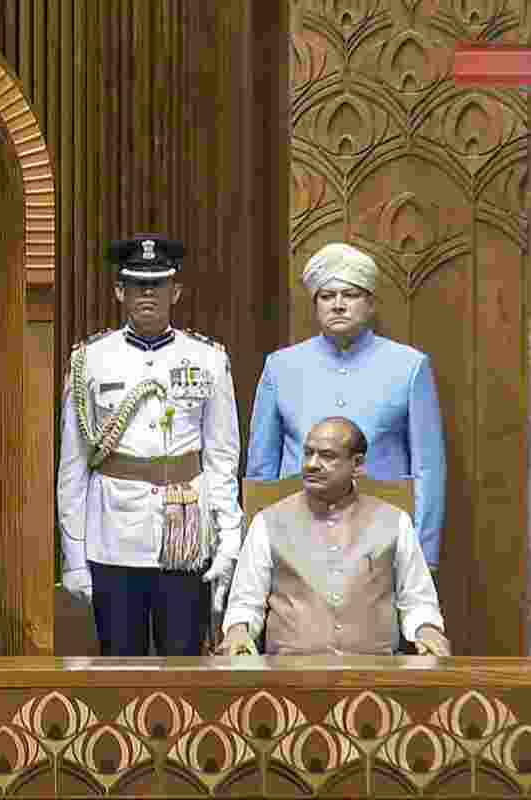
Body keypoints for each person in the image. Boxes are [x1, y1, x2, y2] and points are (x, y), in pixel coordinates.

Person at [56, 236, 243, 656]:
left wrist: (229, 536)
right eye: (137, 284)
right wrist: (74, 558)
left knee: (186, 664)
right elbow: (73, 469)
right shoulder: (89, 359)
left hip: (186, 534)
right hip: (113, 537)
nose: (147, 294)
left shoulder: (209, 358)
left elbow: (222, 458)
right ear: (119, 291)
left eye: (157, 284)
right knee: (120, 666)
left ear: (175, 291)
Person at [246, 242, 446, 568]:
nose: (338, 305)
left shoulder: (409, 367)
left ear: (371, 304)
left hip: (381, 540)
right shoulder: (280, 367)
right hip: (296, 538)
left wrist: (423, 556)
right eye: (327, 296)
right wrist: (256, 556)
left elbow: (428, 471)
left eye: (350, 295)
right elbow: (261, 470)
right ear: (315, 305)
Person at [220, 417, 449, 656]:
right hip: (288, 672)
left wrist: (427, 630)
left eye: (327, 456)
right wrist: (238, 631)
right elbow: (245, 603)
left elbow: (417, 601)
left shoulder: (395, 522)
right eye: (308, 453)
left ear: (357, 464)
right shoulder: (267, 522)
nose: (312, 464)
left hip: (376, 670)